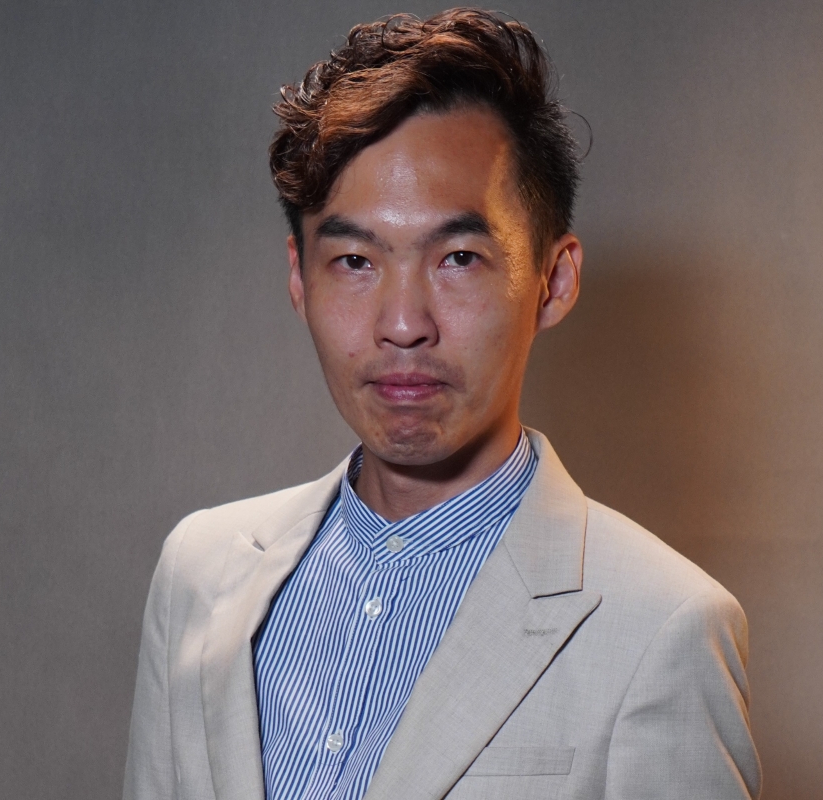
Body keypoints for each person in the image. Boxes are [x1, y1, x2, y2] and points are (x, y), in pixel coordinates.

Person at [123, 8, 761, 800]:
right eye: (354, 260)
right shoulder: (199, 574)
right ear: (299, 278)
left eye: (458, 257)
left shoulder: (663, 628)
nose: (402, 324)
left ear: (554, 281)